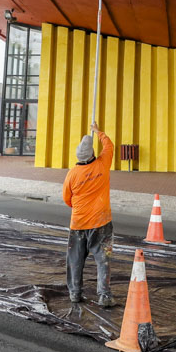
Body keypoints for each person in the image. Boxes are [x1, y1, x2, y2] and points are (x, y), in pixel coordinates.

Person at [61, 121, 114, 306]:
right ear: (92, 154)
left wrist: (79, 208)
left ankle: (75, 293)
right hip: (102, 222)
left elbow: (66, 198)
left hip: (79, 224)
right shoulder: (103, 164)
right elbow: (109, 146)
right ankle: (104, 296)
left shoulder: (72, 174)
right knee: (103, 259)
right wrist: (98, 132)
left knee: (75, 260)